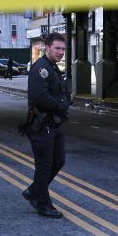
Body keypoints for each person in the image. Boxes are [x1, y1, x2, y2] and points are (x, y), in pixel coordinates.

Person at [22, 34, 70, 219]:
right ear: (47, 48)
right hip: (41, 124)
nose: (60, 52)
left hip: (54, 124)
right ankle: (42, 203)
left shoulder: (52, 68)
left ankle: (34, 191)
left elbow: (60, 91)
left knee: (59, 161)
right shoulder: (40, 69)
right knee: (44, 165)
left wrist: (64, 104)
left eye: (63, 49)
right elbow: (40, 96)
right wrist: (60, 107)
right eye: (57, 48)